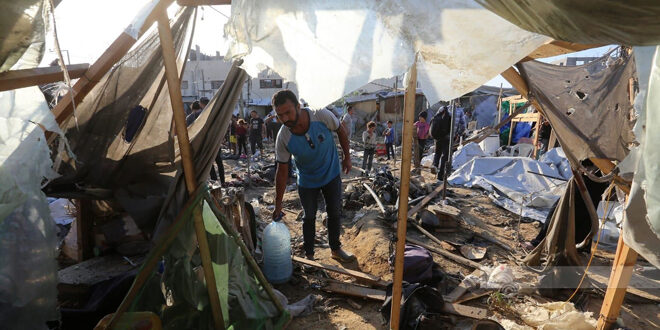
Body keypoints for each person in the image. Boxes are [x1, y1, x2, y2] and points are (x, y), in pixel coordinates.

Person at [272, 89, 355, 262]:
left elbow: (341, 130)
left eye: (288, 112)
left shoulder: (320, 115)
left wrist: (347, 157)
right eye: (280, 116)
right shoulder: (283, 137)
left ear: (298, 106)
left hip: (331, 173)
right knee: (309, 216)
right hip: (307, 180)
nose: (285, 119)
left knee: (334, 212)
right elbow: (282, 171)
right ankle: (310, 255)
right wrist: (277, 205)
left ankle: (335, 249)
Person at [430, 106, 452, 179]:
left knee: (437, 153)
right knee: (444, 156)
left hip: (437, 139)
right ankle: (440, 175)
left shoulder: (436, 116)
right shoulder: (449, 116)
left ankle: (435, 165)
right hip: (446, 138)